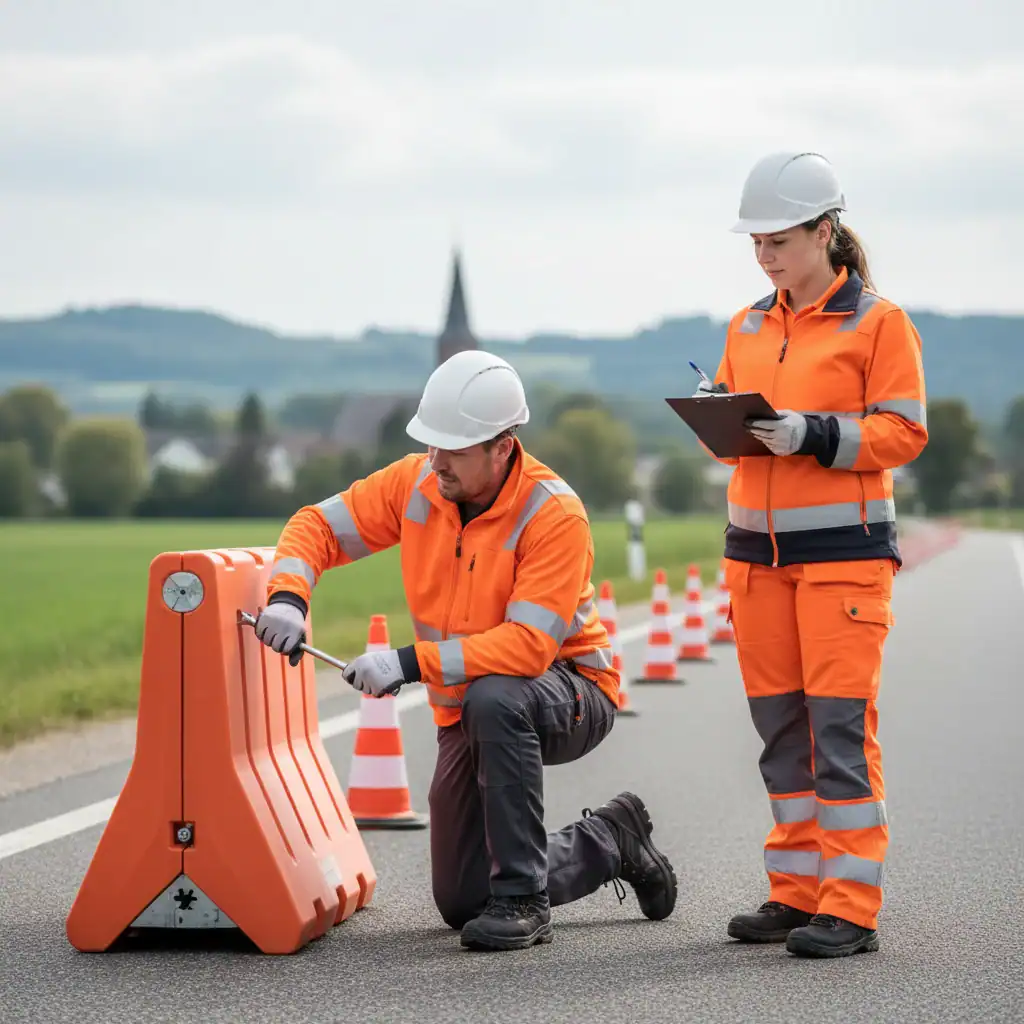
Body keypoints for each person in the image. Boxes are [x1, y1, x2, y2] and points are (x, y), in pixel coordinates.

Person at [253, 349, 677, 952]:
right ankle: (611, 840)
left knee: (496, 696)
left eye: (452, 448)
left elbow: (528, 649)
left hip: (573, 692)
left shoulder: (554, 515)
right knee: (462, 899)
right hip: (469, 704)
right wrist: (289, 596)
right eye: (431, 444)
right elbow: (315, 526)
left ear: (503, 446)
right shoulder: (417, 482)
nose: (435, 460)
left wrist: (405, 664)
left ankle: (525, 902)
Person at [695, 151, 928, 958]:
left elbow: (903, 432)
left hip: (842, 563)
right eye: (756, 243)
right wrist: (724, 420)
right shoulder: (745, 325)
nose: (765, 257)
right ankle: (795, 892)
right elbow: (738, 445)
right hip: (754, 562)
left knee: (837, 731)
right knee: (782, 733)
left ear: (825, 231)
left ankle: (851, 905)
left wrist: (813, 434)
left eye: (780, 240)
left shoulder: (879, 322)